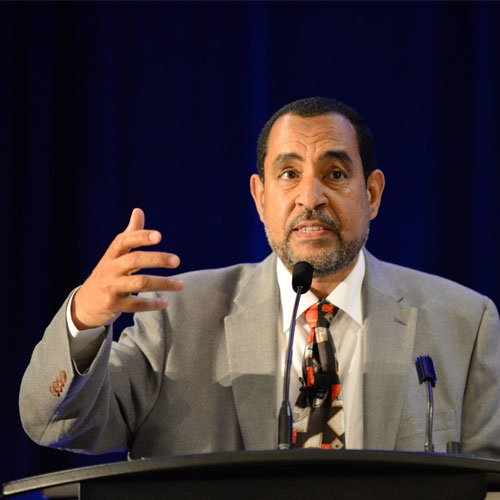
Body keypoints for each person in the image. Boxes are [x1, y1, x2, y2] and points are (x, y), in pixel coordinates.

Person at [19, 97, 500, 458]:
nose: (310, 197)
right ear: (260, 197)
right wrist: (84, 319)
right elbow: (59, 424)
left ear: (372, 194)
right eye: (289, 174)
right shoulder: (179, 317)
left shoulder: (464, 323)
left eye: (335, 174)